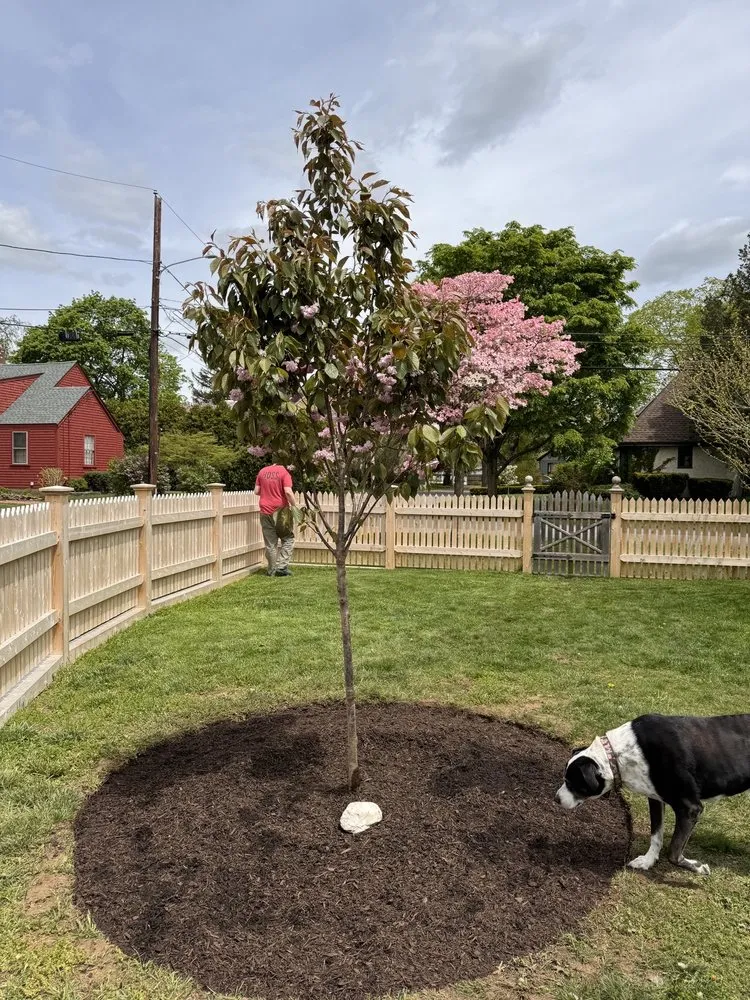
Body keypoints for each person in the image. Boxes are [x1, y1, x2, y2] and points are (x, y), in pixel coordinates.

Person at [254, 460, 297, 576]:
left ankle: (271, 570)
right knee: (288, 538)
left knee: (270, 542)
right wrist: (294, 506)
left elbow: (256, 491)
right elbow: (288, 491)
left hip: (265, 511)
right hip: (280, 512)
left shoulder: (262, 472)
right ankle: (282, 567)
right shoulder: (284, 472)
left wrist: (268, 492)